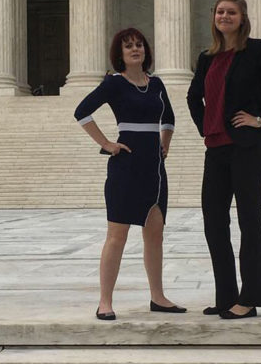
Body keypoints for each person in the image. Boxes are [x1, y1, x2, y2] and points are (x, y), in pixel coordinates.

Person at [186, 0, 261, 320]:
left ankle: (249, 299)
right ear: (213, 17)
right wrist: (206, 127)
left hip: (248, 148)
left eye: (231, 12)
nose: (225, 16)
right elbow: (193, 97)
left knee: (249, 221)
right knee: (214, 223)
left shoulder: (256, 49)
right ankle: (226, 296)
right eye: (220, 11)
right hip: (216, 148)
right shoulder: (207, 57)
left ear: (242, 17)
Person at [74, 27, 185, 321]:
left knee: (155, 234)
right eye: (128, 46)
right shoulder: (114, 84)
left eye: (139, 45)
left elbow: (169, 118)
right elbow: (82, 112)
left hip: (154, 169)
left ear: (145, 50)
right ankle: (105, 301)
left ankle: (158, 297)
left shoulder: (157, 83)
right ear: (119, 54)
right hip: (126, 166)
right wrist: (107, 144)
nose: (135, 49)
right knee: (117, 236)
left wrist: (165, 144)